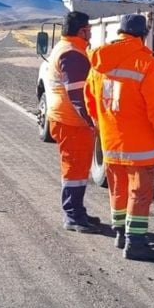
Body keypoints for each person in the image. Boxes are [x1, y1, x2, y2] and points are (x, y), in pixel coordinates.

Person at [85, 14, 154, 261]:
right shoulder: (146, 63)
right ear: (143, 35)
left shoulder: (99, 62)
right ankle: (136, 243)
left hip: (110, 142)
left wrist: (102, 123)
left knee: (118, 190)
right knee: (139, 193)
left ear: (120, 33)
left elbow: (90, 99)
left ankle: (119, 233)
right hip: (140, 146)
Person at [46, 12, 101, 233]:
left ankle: (77, 211)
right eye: (88, 28)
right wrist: (91, 121)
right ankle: (72, 216)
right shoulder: (73, 54)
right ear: (81, 31)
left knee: (77, 169)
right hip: (72, 122)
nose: (91, 32)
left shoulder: (65, 48)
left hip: (66, 119)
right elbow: (78, 94)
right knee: (75, 170)